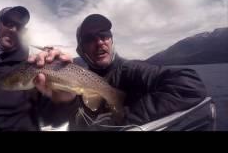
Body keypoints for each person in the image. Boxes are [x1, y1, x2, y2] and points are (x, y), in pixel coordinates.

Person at [28, 14, 207, 131]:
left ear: (111, 41)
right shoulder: (73, 76)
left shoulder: (133, 70)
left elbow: (190, 85)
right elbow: (54, 121)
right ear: (81, 49)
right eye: (90, 38)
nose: (99, 42)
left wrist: (123, 120)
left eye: (104, 35)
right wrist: (64, 100)